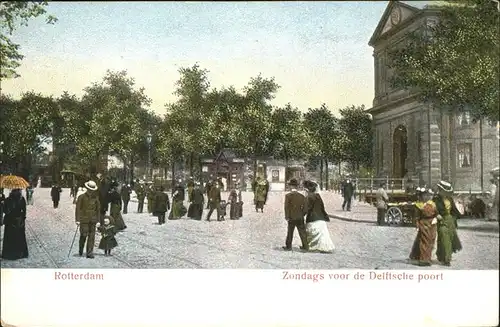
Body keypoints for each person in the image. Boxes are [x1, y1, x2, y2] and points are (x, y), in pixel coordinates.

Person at [433, 180, 463, 266]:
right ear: (440, 190)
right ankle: (446, 259)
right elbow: (432, 209)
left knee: (450, 239)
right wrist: (437, 214)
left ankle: (444, 257)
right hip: (441, 221)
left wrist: (454, 218)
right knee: (443, 238)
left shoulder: (450, 199)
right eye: (444, 191)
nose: (446, 193)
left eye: (447, 192)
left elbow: (454, 211)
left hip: (450, 221)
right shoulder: (435, 199)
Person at [409, 188, 438, 266]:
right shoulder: (419, 205)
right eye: (425, 195)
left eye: (428, 195)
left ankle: (427, 257)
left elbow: (437, 214)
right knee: (424, 241)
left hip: (432, 224)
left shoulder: (433, 204)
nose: (427, 197)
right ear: (421, 196)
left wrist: (435, 218)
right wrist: (417, 225)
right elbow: (416, 217)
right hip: (424, 224)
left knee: (431, 241)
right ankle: (424, 260)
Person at [303, 180, 334, 253]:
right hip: (321, 218)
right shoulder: (318, 196)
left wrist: (302, 215)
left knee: (312, 232)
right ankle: (325, 247)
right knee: (323, 234)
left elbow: (306, 208)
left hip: (313, 218)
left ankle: (313, 247)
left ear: (307, 189)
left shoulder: (309, 197)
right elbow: (322, 207)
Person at [75, 180, 101, 258]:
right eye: (90, 189)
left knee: (92, 237)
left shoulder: (96, 198)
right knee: (83, 235)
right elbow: (78, 209)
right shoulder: (81, 197)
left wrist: (98, 220)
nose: (91, 191)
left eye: (92, 190)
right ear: (87, 188)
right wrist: (77, 220)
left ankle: (89, 253)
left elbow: (98, 210)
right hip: (84, 220)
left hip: (93, 220)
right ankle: (81, 249)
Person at [1, 189, 28, 260]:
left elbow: (5, 211)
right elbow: (24, 210)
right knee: (19, 237)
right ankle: (20, 253)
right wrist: (23, 219)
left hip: (10, 221)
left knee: (9, 237)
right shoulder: (22, 199)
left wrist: (3, 203)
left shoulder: (8, 199)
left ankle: (9, 253)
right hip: (18, 220)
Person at [282, 179, 308, 251]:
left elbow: (286, 207)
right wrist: (302, 214)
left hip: (291, 217)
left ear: (291, 186)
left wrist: (287, 216)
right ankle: (305, 246)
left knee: (290, 232)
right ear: (297, 187)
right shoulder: (302, 196)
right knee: (302, 232)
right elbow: (305, 208)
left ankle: (288, 246)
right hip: (300, 217)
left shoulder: (288, 196)